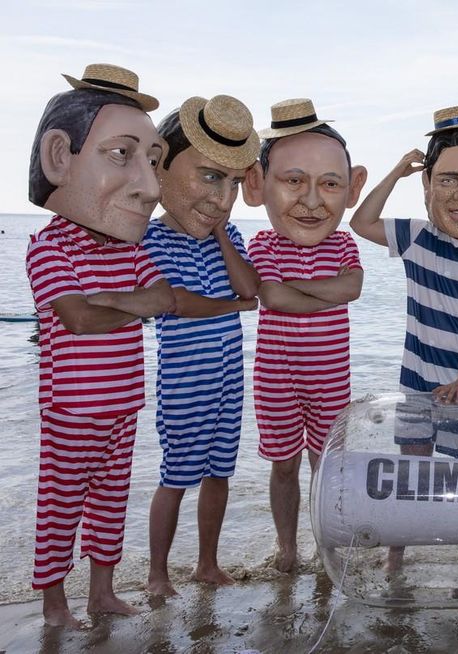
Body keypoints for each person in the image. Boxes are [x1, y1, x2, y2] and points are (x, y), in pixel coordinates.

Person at [26, 63, 175, 626]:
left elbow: (163, 300)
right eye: (122, 154)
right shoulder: (47, 249)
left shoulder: (128, 251)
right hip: (72, 409)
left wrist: (109, 303)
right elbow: (79, 319)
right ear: (59, 157)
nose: (151, 184)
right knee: (60, 506)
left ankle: (102, 593)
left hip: (123, 403)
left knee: (110, 504)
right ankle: (54, 603)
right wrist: (117, 304)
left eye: (154, 161)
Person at [349, 103, 458, 571]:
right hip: (416, 384)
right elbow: (360, 224)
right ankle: (396, 557)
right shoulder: (418, 237)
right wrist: (397, 173)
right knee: (411, 472)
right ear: (428, 187)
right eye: (448, 179)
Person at [141, 95, 261, 596]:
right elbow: (177, 303)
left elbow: (250, 286)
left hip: (228, 378)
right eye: (213, 178)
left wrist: (222, 237)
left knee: (218, 474)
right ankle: (156, 574)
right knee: (176, 476)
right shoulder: (150, 239)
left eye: (233, 183)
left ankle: (207, 564)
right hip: (184, 381)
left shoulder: (224, 232)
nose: (224, 197)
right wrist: (232, 308)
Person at [242, 98, 368, 572]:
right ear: (260, 186)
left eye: (329, 184)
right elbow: (271, 300)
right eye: (294, 181)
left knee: (327, 467)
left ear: (351, 187)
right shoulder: (262, 242)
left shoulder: (344, 242)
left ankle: (325, 547)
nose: (312, 201)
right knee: (283, 466)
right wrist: (322, 293)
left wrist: (289, 287)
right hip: (276, 377)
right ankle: (287, 547)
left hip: (331, 377)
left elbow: (352, 287)